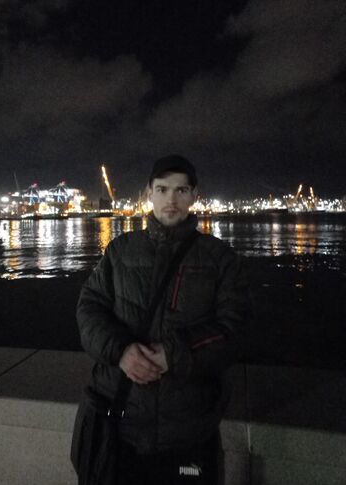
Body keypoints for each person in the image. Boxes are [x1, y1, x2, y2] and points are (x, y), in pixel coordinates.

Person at [76, 155, 250, 485]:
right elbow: (89, 309)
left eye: (181, 190)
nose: (171, 199)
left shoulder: (220, 258)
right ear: (149, 193)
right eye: (163, 189)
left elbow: (236, 328)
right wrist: (121, 351)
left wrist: (173, 354)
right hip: (120, 424)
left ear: (194, 195)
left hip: (188, 429)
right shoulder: (120, 250)